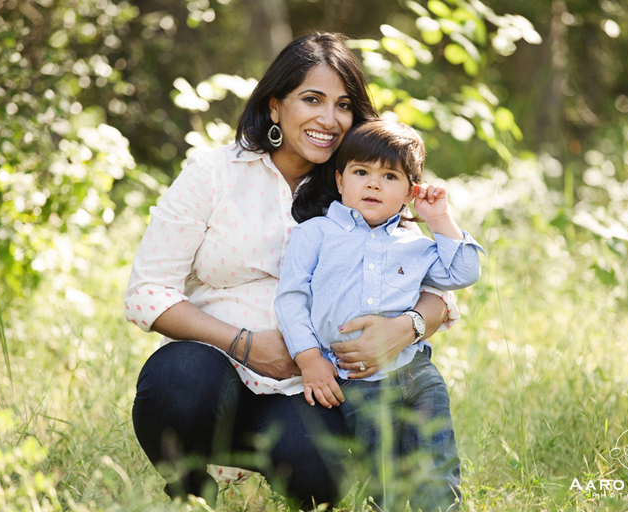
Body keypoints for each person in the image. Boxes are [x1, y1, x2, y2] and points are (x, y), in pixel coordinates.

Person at [125, 33, 461, 509]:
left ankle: (277, 467)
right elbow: (147, 293)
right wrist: (246, 343)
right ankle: (192, 493)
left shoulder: (360, 182)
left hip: (309, 386)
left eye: (343, 104)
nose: (329, 119)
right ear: (275, 105)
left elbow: (438, 289)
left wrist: (403, 329)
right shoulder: (213, 174)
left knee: (321, 480)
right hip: (213, 363)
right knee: (175, 385)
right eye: (311, 99)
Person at [274, 119, 485, 511]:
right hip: (360, 380)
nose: (373, 184)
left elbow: (463, 273)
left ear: (410, 192)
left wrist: (439, 218)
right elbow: (290, 300)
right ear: (339, 181)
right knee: (382, 474)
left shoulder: (415, 244)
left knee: (436, 465)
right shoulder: (315, 234)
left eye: (389, 176)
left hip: (417, 375)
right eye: (361, 172)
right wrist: (309, 358)